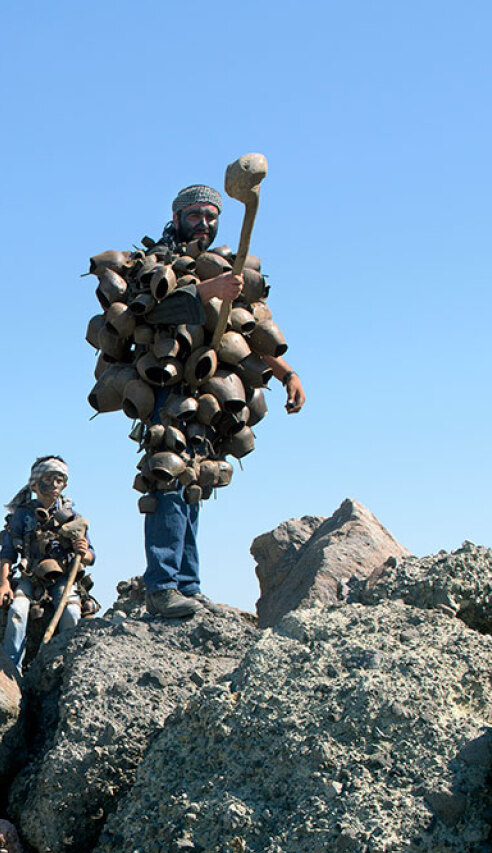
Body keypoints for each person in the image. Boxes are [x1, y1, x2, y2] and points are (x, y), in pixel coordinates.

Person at [139, 183, 304, 619]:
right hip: (167, 384)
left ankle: (188, 585)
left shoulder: (231, 267)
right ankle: (161, 585)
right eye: (195, 215)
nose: (204, 224)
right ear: (177, 218)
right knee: (168, 478)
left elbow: (248, 330)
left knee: (196, 482)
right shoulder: (158, 259)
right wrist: (210, 289)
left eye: (211, 216)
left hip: (210, 390)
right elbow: (148, 311)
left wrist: (286, 374)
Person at [0, 456, 95, 673]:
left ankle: (68, 668)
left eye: (60, 480)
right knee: (18, 611)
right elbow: (8, 553)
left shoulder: (73, 517)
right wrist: (4, 584)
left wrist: (83, 552)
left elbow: (91, 556)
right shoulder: (22, 515)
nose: (55, 485)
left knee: (72, 614)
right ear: (35, 484)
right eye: (49, 479)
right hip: (30, 577)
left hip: (63, 579)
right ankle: (11, 671)